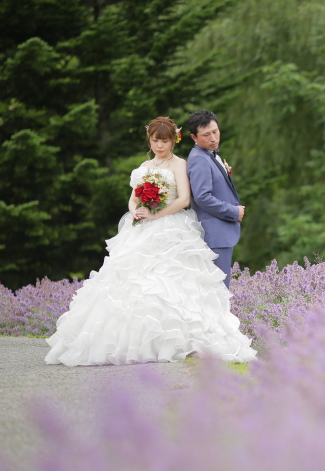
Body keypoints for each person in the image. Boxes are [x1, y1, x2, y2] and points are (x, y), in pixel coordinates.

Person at [45, 117, 257, 366]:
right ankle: (132, 341)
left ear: (174, 141)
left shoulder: (180, 164)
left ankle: (180, 340)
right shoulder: (145, 166)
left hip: (172, 226)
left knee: (174, 283)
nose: (160, 145)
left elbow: (185, 200)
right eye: (156, 140)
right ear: (150, 140)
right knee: (135, 281)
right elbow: (134, 198)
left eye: (165, 141)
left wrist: (156, 213)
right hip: (144, 228)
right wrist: (136, 210)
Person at [185, 110, 245, 288]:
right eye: (206, 135)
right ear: (194, 137)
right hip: (214, 234)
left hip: (221, 232)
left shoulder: (211, 155)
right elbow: (202, 197)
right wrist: (233, 211)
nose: (213, 138)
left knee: (220, 288)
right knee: (218, 290)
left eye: (215, 131)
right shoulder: (199, 159)